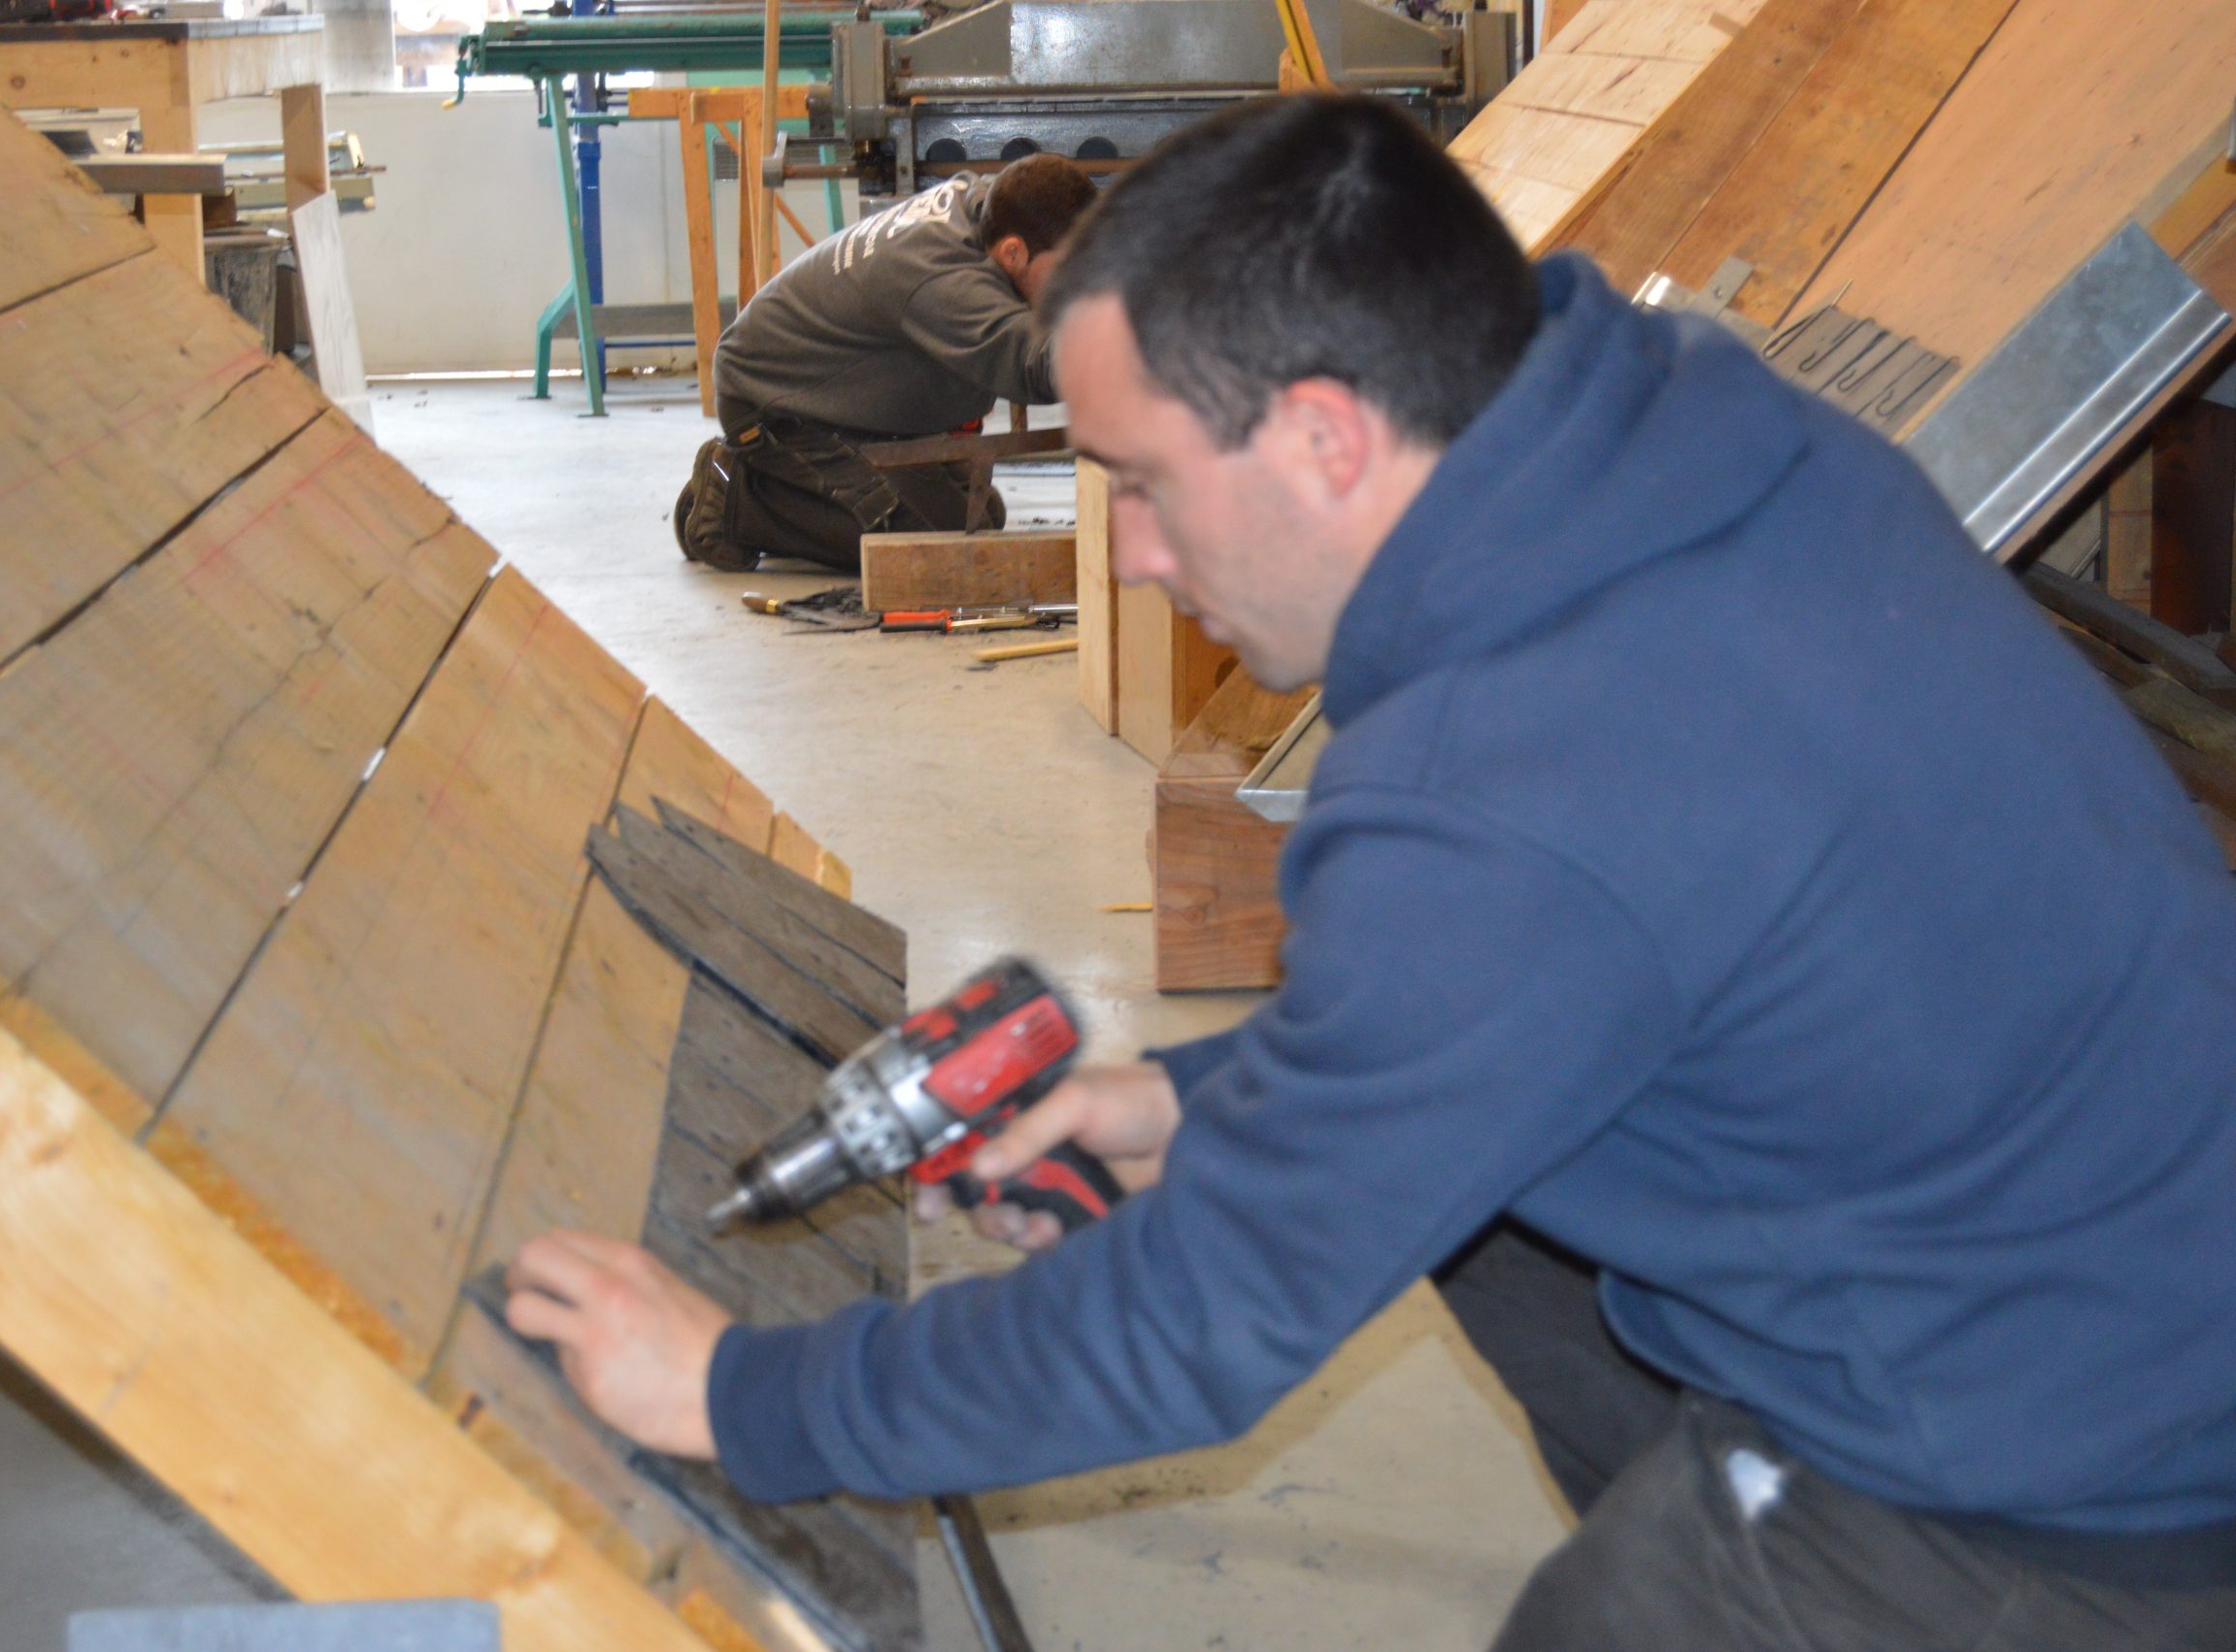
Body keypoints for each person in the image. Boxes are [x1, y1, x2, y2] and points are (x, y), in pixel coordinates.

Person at [511, 93, 2236, 1648]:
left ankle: (1791, 1540)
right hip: (2103, 1231)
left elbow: (1202, 1319)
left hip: (2080, 1473)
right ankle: (1729, 1491)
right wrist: (1195, 1101)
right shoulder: (1690, 436)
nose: (1129, 551)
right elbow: (1560, 976)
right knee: (1490, 1226)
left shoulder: (1505, 777)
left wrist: (740, 1392)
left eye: (1143, 482)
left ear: (1328, 437)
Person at [673, 152, 1098, 573]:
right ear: (1013, 252)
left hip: (838, 392)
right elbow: (1031, 363)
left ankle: (804, 495)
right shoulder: (943, 281)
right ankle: (734, 498)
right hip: (772, 405)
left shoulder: (991, 207)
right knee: (940, 548)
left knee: (982, 515)